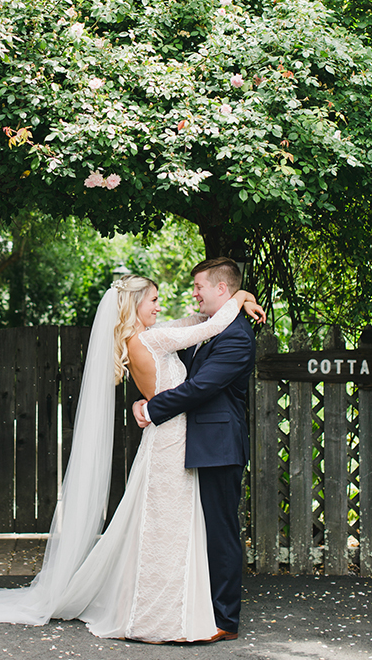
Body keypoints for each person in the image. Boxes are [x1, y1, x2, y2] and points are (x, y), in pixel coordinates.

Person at [0, 273, 263, 644]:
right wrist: (240, 299)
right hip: (170, 440)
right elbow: (207, 326)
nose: (161, 305)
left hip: (168, 439)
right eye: (153, 299)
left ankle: (166, 611)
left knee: (161, 530)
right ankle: (160, 614)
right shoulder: (151, 338)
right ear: (135, 305)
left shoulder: (141, 338)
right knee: (164, 530)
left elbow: (191, 325)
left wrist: (149, 403)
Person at [133, 257, 258, 642]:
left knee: (220, 531)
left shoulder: (236, 337)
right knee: (199, 530)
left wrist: (153, 409)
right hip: (197, 443)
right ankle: (197, 608)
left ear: (222, 289)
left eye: (200, 286)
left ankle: (225, 621)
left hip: (219, 446)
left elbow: (201, 387)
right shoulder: (208, 329)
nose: (194, 293)